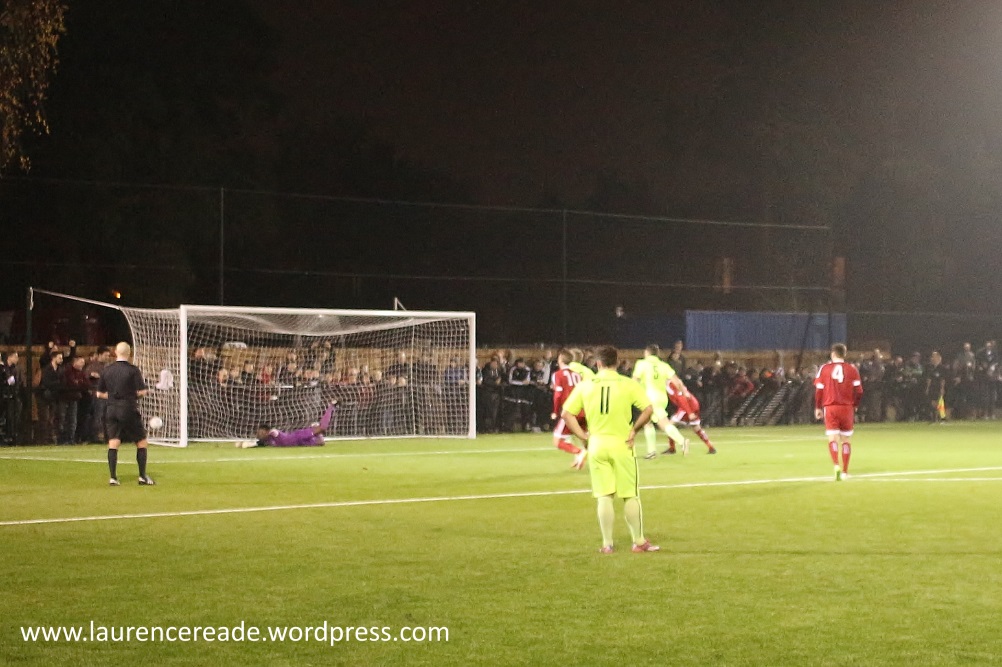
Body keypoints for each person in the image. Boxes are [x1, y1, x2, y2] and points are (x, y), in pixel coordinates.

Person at [562, 345, 658, 554]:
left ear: (598, 363)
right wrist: (634, 430)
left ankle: (607, 544)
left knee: (604, 496)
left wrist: (583, 436)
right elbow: (648, 409)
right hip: (622, 445)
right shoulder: (627, 384)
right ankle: (638, 541)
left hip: (597, 445)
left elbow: (567, 414)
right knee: (629, 495)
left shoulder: (586, 385)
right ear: (617, 362)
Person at [96, 342, 154, 486]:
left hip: (111, 409)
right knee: (141, 442)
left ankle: (113, 477)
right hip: (128, 408)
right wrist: (135, 395)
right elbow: (141, 391)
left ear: (116, 352)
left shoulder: (107, 370)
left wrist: (112, 397)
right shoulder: (133, 370)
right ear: (129, 353)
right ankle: (142, 476)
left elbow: (99, 394)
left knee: (113, 442)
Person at [631, 344, 693, 459]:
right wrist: (684, 392)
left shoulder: (642, 364)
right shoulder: (664, 365)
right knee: (648, 422)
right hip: (662, 398)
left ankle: (682, 441)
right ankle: (651, 452)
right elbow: (677, 381)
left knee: (662, 423)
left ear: (647, 353)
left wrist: (631, 394)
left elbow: (634, 381)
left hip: (649, 398)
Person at [814, 343, 863, 481]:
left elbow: (819, 390)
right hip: (847, 408)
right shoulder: (852, 369)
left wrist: (817, 407)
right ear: (844, 354)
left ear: (833, 354)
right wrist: (855, 405)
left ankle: (836, 465)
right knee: (846, 440)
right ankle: (845, 471)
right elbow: (859, 391)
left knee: (832, 438)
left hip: (830, 407)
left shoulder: (824, 368)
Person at [240, 401, 339, 448]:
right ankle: (317, 431)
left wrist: (248, 444)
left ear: (266, 431)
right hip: (298, 443)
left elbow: (260, 442)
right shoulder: (268, 441)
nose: (260, 435)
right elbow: (260, 444)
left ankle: (331, 406)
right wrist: (243, 444)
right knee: (321, 443)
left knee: (322, 428)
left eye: (261, 432)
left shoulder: (273, 432)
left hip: (297, 436)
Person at [550, 349, 587, 469]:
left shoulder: (558, 374)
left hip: (569, 411)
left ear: (560, 359)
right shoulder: (578, 375)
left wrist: (555, 411)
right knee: (584, 438)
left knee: (558, 441)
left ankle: (580, 453)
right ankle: (584, 458)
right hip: (582, 410)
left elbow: (558, 394)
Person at [666, 382, 717, 454]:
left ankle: (672, 448)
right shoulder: (673, 382)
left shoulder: (671, 384)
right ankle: (711, 447)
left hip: (687, 406)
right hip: (693, 404)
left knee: (669, 426)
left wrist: (689, 412)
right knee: (697, 428)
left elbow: (682, 397)